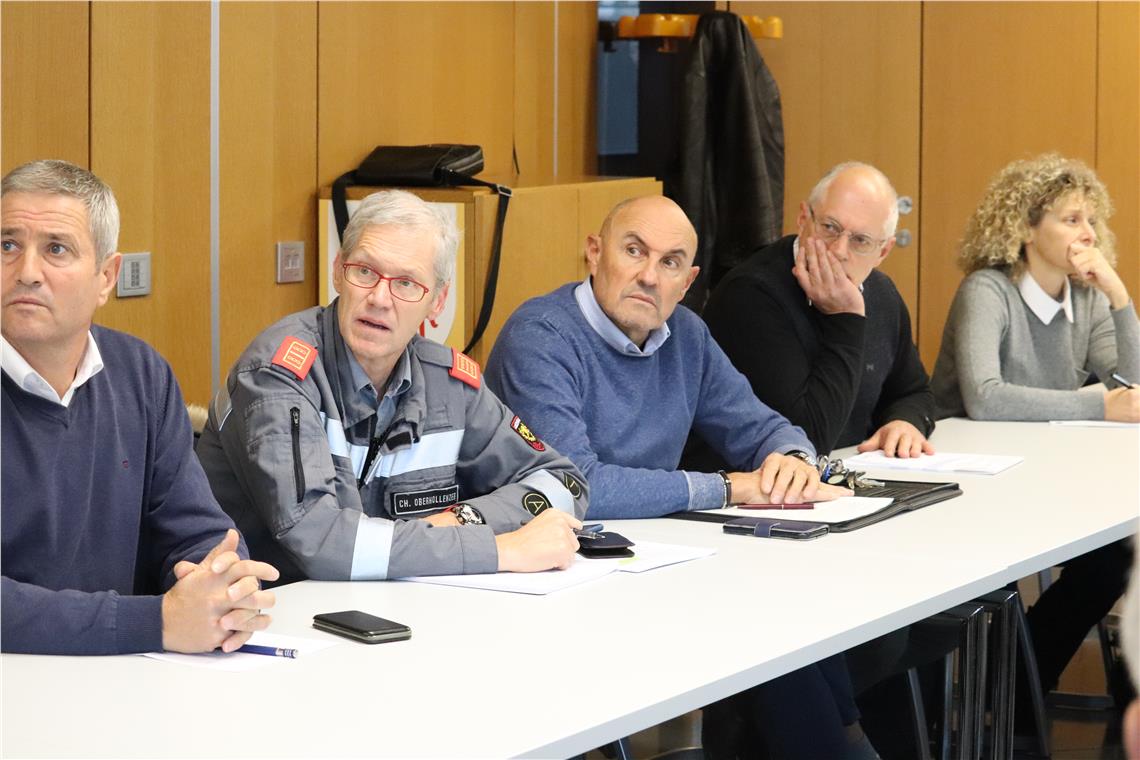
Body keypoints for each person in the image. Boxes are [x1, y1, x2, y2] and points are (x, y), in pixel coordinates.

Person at [485, 195, 877, 760]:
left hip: (648, 564)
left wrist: (790, 457)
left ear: (688, 281)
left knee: (795, 620)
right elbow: (576, 486)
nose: (649, 275)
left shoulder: (687, 335)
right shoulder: (541, 335)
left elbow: (759, 425)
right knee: (768, 634)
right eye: (633, 251)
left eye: (670, 262)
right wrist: (728, 486)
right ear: (594, 252)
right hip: (552, 581)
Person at [196, 190, 586, 586]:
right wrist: (500, 550)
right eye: (365, 272)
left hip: (396, 602)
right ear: (337, 271)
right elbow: (322, 543)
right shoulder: (279, 376)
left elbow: (563, 482)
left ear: (437, 301)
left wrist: (462, 519)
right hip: (274, 608)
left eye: (406, 283)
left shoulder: (450, 383)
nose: (380, 299)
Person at [1, 159, 279, 655]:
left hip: (124, 676)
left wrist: (223, 585)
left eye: (56, 249)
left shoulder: (140, 373)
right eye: (7, 245)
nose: (27, 273)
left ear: (106, 276)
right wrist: (155, 622)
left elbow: (194, 529)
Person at [929, 153, 1136, 718]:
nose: (1088, 233)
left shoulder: (1087, 298)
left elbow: (1134, 389)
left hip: (1045, 474)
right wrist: (1096, 404)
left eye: (1091, 220)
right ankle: (1004, 701)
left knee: (1116, 555)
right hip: (965, 480)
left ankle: (1017, 693)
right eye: (1071, 219)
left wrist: (1119, 295)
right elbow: (985, 397)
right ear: (1025, 228)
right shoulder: (987, 290)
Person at [699, 162, 934, 458]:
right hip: (759, 479)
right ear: (803, 219)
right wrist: (845, 319)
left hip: (855, 470)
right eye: (830, 228)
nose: (838, 250)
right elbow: (804, 443)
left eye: (860, 241)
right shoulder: (751, 294)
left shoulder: (882, 293)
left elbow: (914, 391)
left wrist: (906, 422)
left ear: (883, 252)